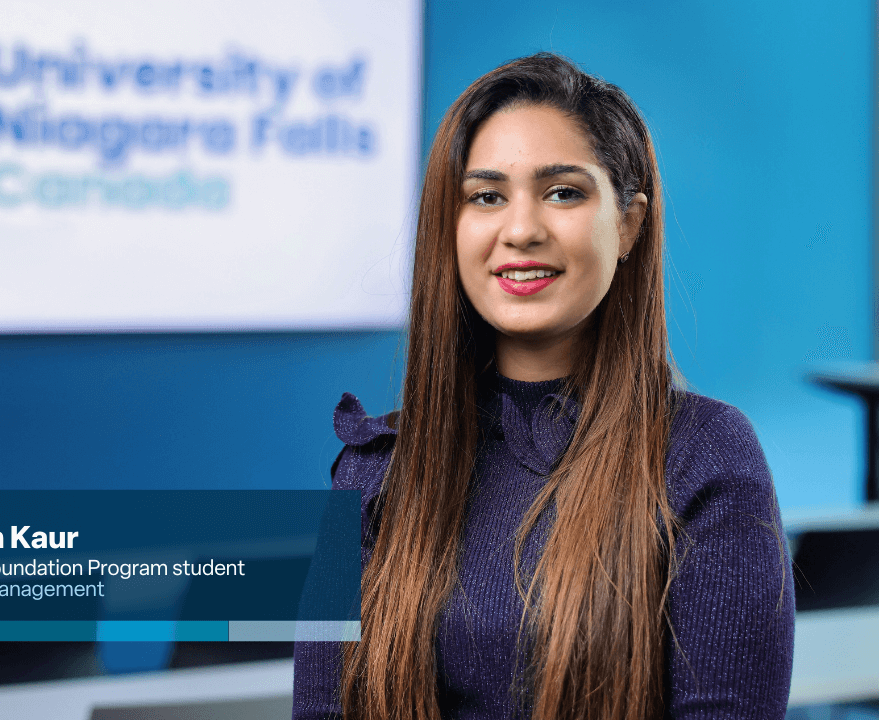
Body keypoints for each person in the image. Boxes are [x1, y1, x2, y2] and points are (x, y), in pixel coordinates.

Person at [294, 53, 793, 720]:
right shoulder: (367, 473)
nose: (521, 229)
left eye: (563, 192)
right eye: (486, 196)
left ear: (629, 224)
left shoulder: (705, 457)